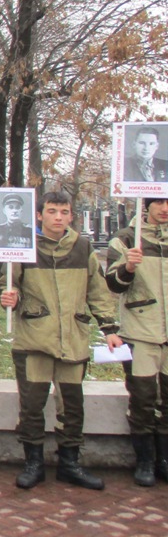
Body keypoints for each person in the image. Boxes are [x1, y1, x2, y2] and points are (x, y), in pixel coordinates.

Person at [0, 191, 122, 491]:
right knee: (31, 405)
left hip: (73, 339)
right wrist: (7, 295)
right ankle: (34, 463)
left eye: (64, 212)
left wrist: (110, 328)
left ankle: (70, 463)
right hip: (34, 341)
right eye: (51, 211)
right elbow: (8, 283)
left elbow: (97, 290)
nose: (58, 217)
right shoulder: (22, 244)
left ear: (70, 216)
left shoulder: (83, 247)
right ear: (39, 215)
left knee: (72, 406)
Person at [106, 198, 168, 486]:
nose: (165, 208)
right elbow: (113, 285)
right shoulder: (127, 238)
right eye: (160, 202)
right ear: (147, 204)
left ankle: (163, 460)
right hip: (140, 332)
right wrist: (128, 268)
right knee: (143, 399)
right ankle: (144, 461)